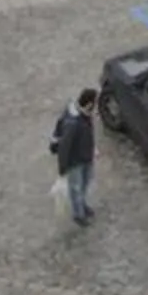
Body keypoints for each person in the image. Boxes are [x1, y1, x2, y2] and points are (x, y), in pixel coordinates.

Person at [49, 88, 97, 227]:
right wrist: (63, 168)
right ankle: (78, 214)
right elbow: (64, 147)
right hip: (76, 161)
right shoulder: (74, 124)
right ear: (89, 105)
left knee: (84, 184)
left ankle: (82, 205)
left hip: (86, 156)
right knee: (76, 187)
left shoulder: (84, 117)